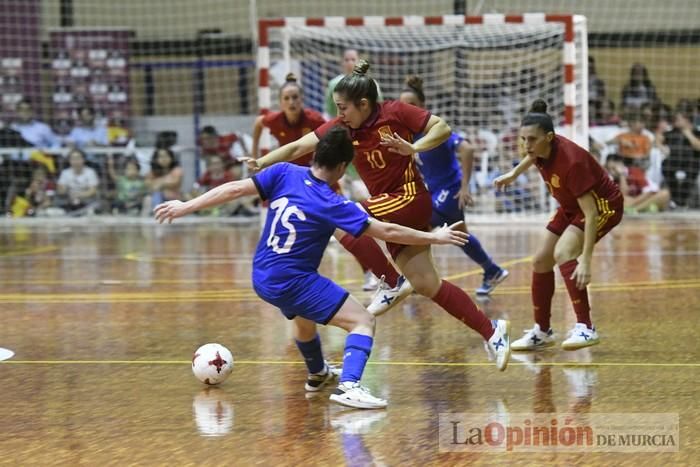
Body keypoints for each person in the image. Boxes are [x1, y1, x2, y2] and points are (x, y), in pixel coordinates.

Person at [154, 126, 470, 408]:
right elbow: (386, 231)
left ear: (315, 155)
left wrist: (186, 206)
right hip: (292, 280)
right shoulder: (331, 202)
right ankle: (350, 386)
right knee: (362, 321)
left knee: (304, 321)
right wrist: (437, 237)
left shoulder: (282, 172)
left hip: (263, 275)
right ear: (343, 167)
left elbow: (234, 189)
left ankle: (318, 373)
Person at [249, 60, 511, 371]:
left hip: (410, 198)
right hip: (389, 204)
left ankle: (389, 281)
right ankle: (493, 331)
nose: (340, 114)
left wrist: (415, 148)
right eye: (337, 107)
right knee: (428, 284)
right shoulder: (344, 127)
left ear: (363, 104)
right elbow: (297, 148)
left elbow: (442, 128)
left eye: (344, 107)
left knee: (341, 216)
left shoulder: (396, 111)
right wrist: (261, 161)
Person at [252, 73, 402, 293]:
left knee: (348, 230)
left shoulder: (313, 119)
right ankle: (292, 277)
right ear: (280, 102)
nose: (292, 102)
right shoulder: (274, 120)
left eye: (295, 97)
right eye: (287, 98)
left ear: (302, 99)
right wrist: (255, 153)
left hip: (322, 180)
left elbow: (338, 138)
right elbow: (259, 123)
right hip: (292, 186)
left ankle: (374, 274)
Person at [494, 99, 624, 351]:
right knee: (541, 260)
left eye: (531, 139)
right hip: (569, 206)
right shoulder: (541, 149)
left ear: (550, 137)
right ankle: (542, 331)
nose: (526, 145)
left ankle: (586, 328)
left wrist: (585, 259)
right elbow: (532, 156)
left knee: (564, 253)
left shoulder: (571, 162)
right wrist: (514, 174)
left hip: (603, 206)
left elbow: (591, 212)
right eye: (523, 139)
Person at [398, 75, 509, 295]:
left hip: (450, 191)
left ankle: (413, 278)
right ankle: (492, 270)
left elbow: (466, 149)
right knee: (459, 235)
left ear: (422, 107)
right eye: (403, 106)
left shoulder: (433, 129)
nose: (406, 110)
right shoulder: (408, 134)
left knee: (417, 229)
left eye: (412, 105)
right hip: (436, 191)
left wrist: (465, 186)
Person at [324, 50, 383, 119]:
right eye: (346, 60)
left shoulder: (371, 83)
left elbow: (379, 106)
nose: (350, 63)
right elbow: (329, 111)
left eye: (353, 59)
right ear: (342, 63)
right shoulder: (333, 84)